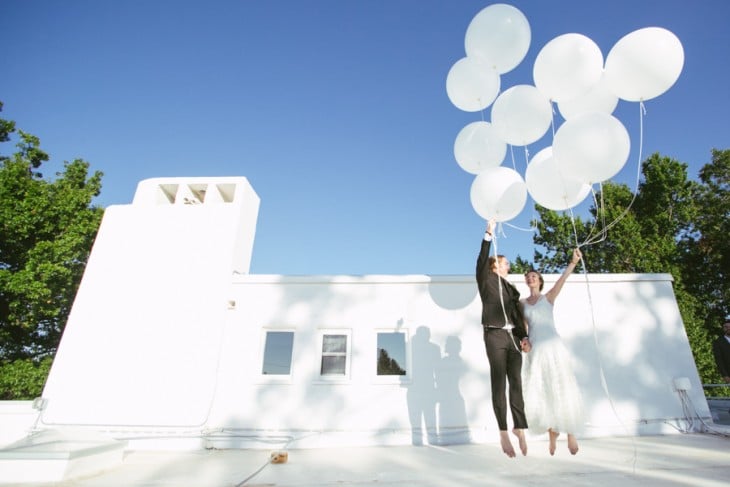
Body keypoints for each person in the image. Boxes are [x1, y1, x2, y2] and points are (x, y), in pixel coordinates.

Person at [521, 248, 584, 456]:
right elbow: (523, 329)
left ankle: (571, 433)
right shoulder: (521, 304)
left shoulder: (548, 298)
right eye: (528, 276)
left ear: (539, 281)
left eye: (534, 276)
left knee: (561, 386)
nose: (530, 278)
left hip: (554, 348)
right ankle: (552, 433)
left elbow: (562, 280)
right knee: (543, 389)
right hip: (536, 350)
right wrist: (524, 341)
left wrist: (573, 263)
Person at [476, 219, 531, 458]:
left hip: (513, 339)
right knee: (499, 383)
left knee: (516, 383)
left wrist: (525, 337)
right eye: (505, 263)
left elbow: (518, 317)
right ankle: (502, 430)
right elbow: (481, 260)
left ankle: (519, 426)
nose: (509, 266)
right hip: (494, 335)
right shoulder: (486, 280)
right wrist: (488, 234)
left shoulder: (512, 290)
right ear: (494, 266)